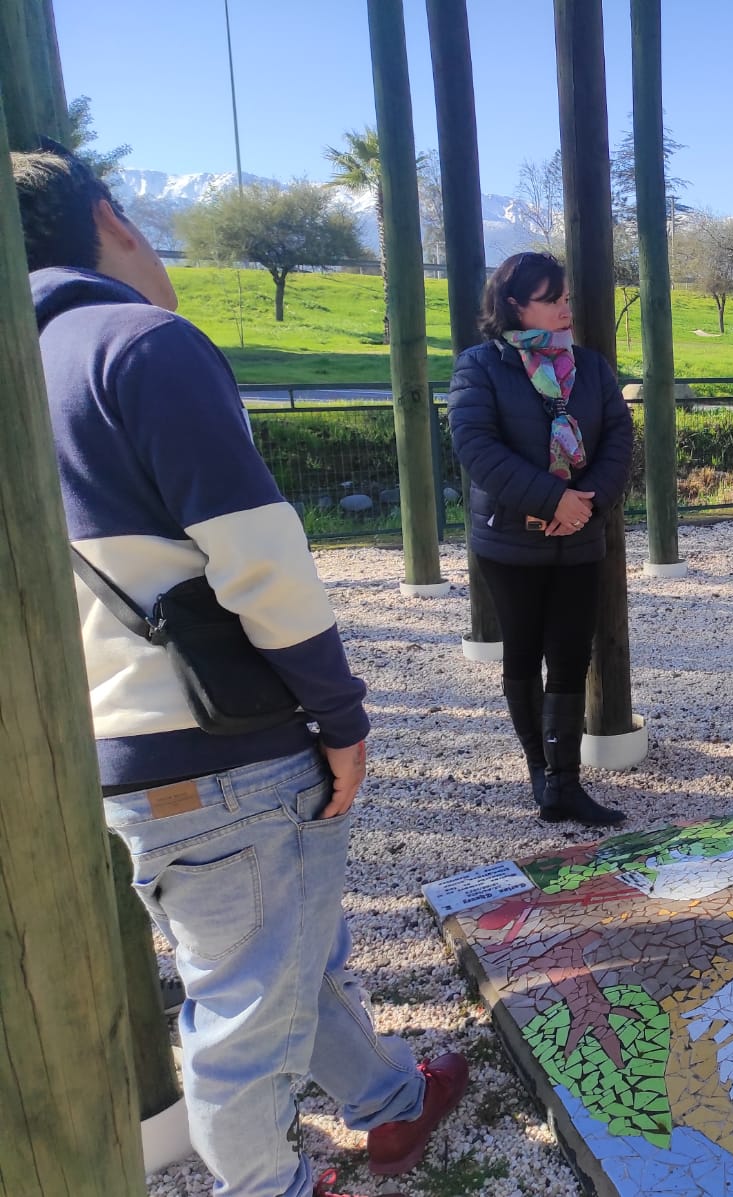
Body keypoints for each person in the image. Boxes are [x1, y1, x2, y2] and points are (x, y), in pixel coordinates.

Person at [15, 143, 467, 1197]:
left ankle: (392, 1104)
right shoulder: (139, 345)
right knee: (245, 1004)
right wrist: (340, 716)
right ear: (112, 218)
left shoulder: (25, 370)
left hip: (104, 738)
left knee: (293, 951)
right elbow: (262, 563)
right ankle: (265, 1184)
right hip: (217, 745)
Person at [448, 251, 633, 825]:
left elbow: (619, 441)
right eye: (552, 299)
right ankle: (539, 769)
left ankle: (564, 784)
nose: (565, 309)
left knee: (573, 654)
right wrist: (552, 498)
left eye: (566, 297)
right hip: (511, 543)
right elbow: (477, 448)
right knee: (524, 652)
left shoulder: (593, 369)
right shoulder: (480, 367)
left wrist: (586, 505)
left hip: (578, 537)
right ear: (513, 305)